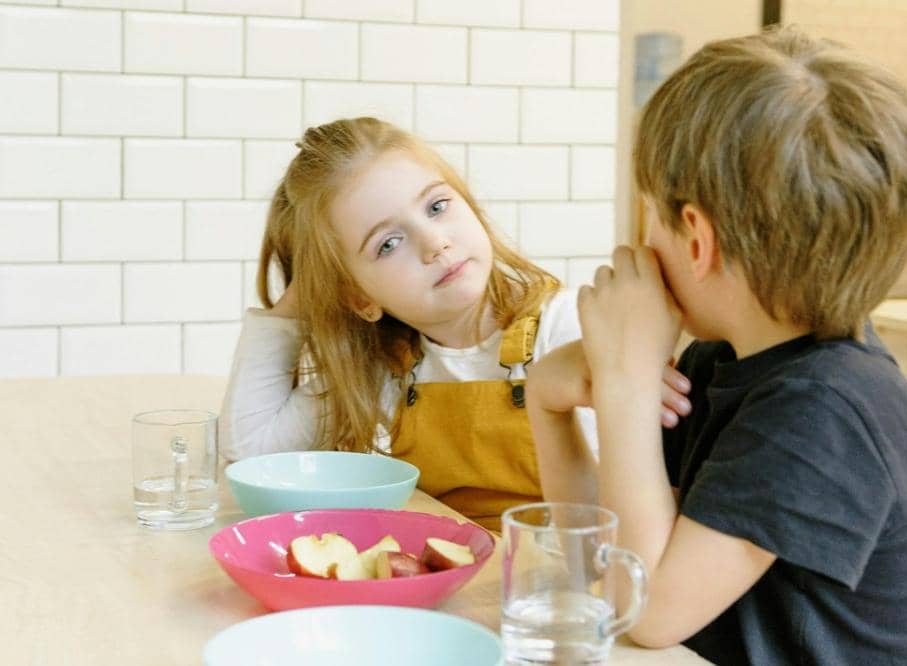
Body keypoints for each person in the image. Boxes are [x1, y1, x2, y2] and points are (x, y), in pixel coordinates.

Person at [526, 27, 907, 664]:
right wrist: (547, 402)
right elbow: (607, 565)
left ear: (696, 239)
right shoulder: (723, 361)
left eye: (650, 208)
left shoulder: (826, 408)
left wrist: (625, 383)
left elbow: (647, 610)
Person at [219, 116, 692, 531]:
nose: (435, 244)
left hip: (554, 588)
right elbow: (252, 453)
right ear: (359, 298)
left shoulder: (562, 328)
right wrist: (302, 301)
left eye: (437, 207)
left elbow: (610, 516)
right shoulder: (382, 369)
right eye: (388, 244)